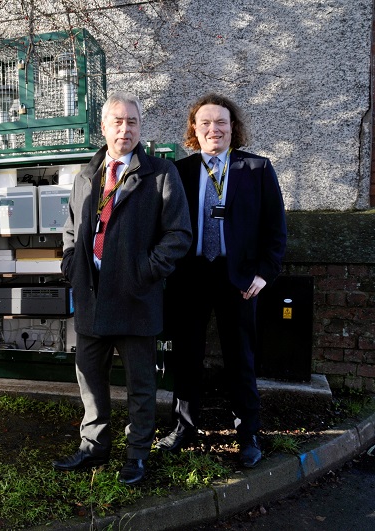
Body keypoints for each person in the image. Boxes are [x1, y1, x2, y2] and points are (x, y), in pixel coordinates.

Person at [54, 92, 192, 484]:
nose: (125, 128)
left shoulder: (161, 173)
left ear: (140, 127)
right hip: (91, 298)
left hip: (136, 298)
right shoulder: (87, 175)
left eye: (132, 121)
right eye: (117, 121)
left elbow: (179, 234)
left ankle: (137, 455)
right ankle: (94, 446)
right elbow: (70, 230)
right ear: (103, 126)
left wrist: (145, 272)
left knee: (141, 385)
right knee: (90, 381)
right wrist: (72, 267)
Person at [157, 93, 287, 469]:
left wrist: (265, 274)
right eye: (205, 123)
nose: (214, 129)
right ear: (194, 130)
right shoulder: (179, 172)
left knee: (240, 358)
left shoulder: (257, 169)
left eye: (221, 123)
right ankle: (184, 428)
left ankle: (248, 433)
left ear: (233, 128)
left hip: (239, 279)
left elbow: (275, 230)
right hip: (190, 277)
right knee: (187, 356)